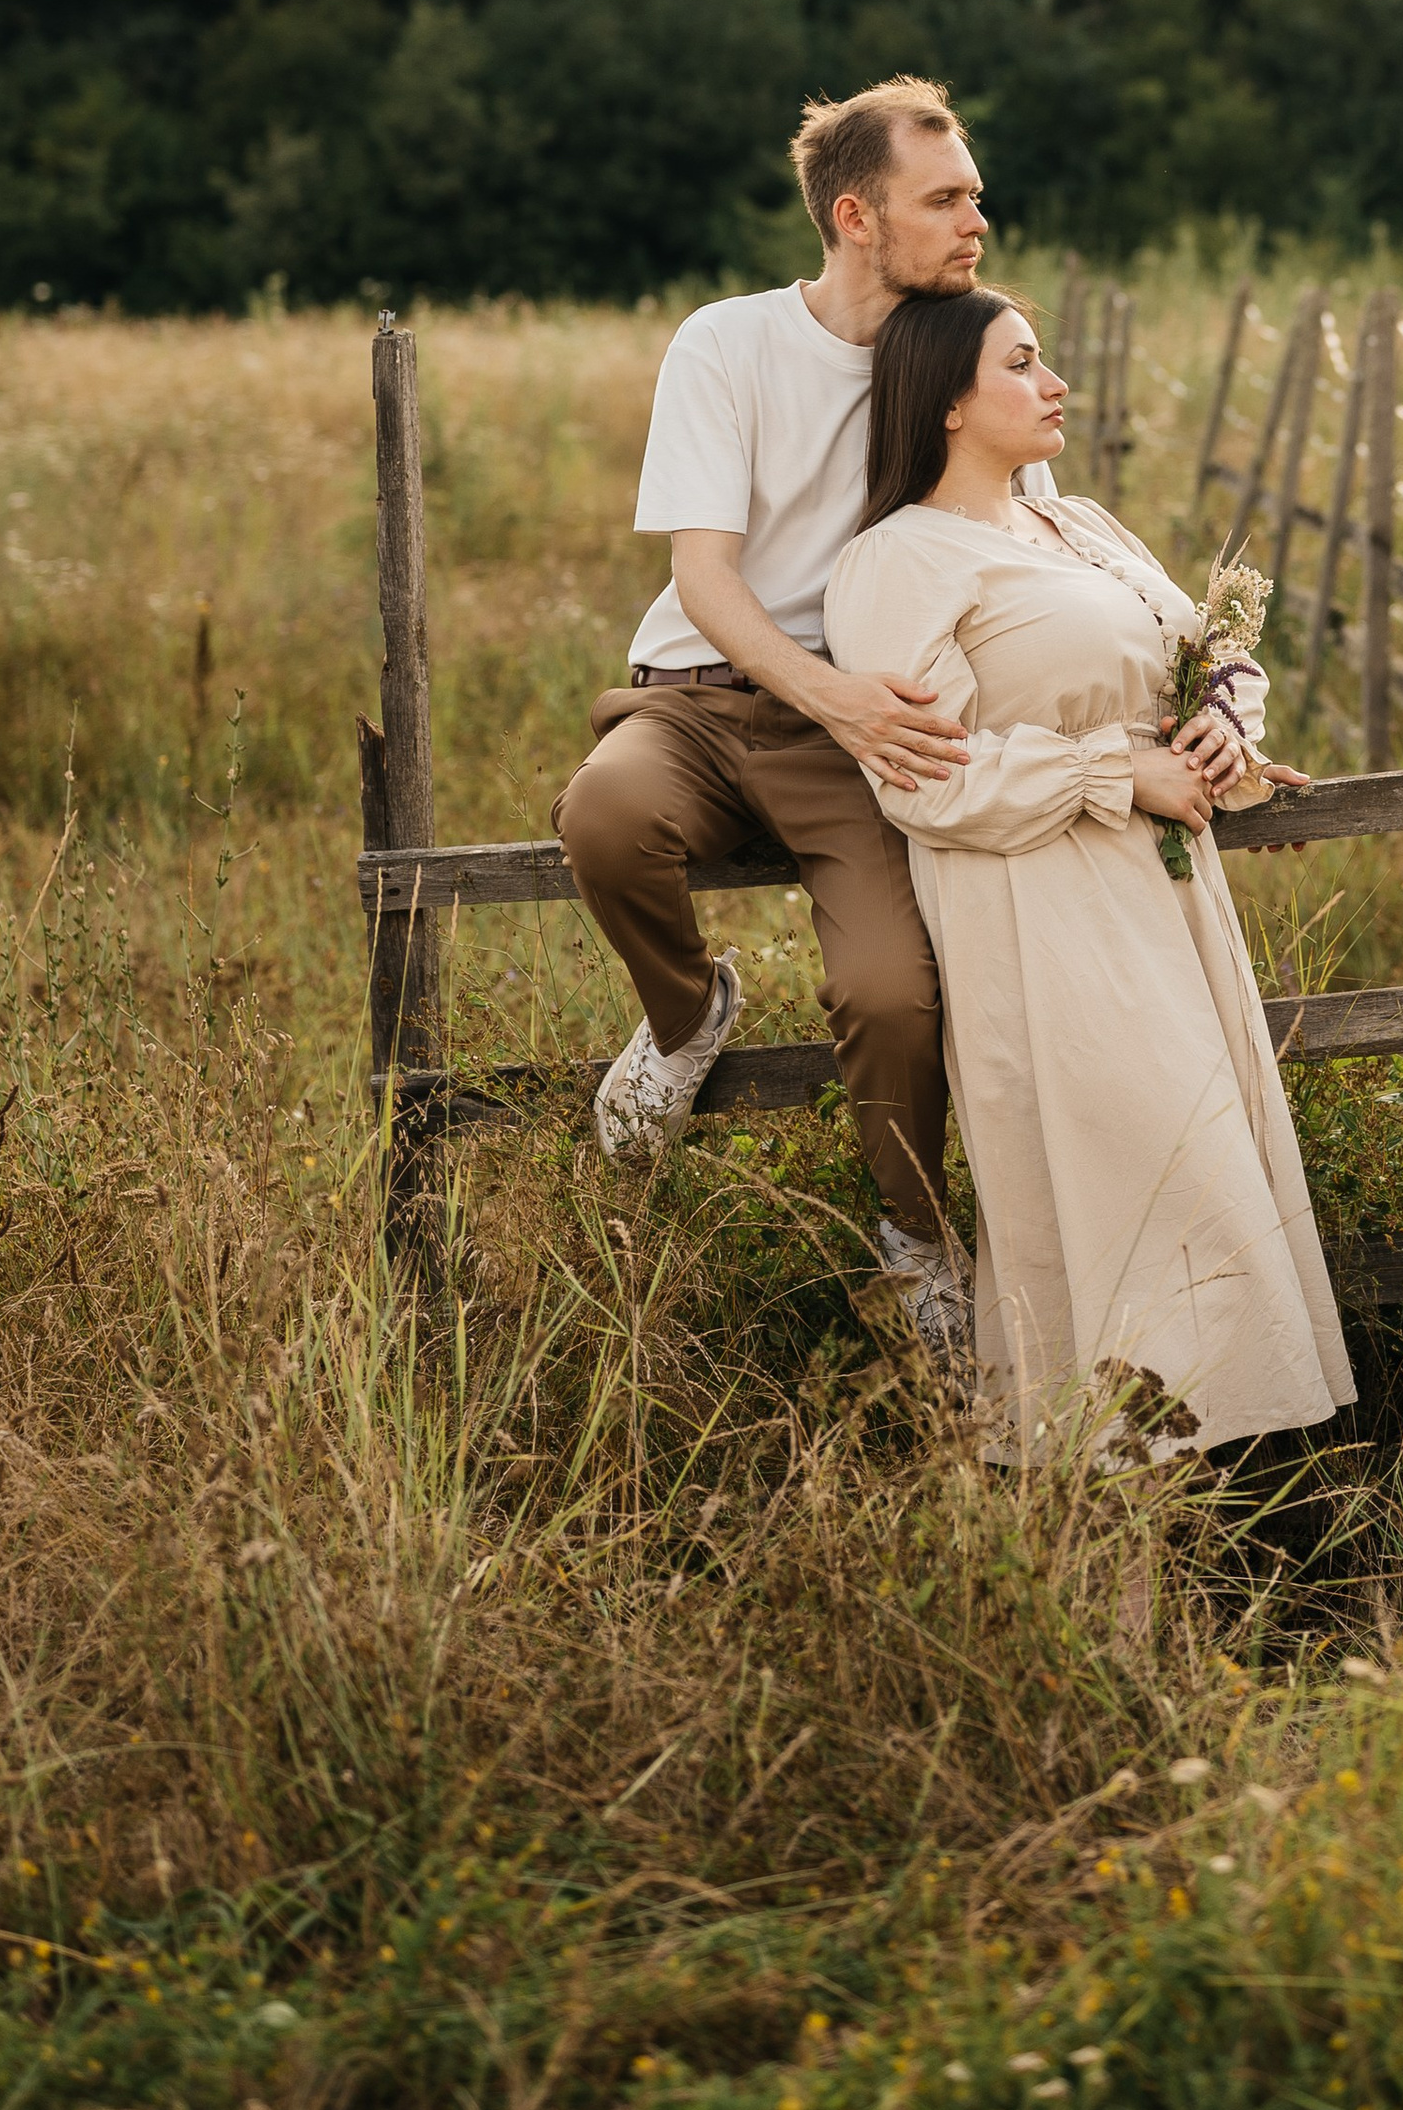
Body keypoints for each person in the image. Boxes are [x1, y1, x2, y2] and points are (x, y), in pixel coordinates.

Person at [824, 285, 1355, 1464]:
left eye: (1046, 358)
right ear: (948, 404)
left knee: (1213, 1193)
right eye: (1021, 363)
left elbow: (1207, 656)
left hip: (1165, 907)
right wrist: (1116, 772)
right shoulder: (894, 563)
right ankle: (1109, 1521)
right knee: (1145, 1203)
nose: (1053, 381)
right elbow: (924, 780)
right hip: (1046, 915)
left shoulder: (1086, 528)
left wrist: (1219, 723)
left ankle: (1226, 1533)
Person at [553, 75, 1004, 1350]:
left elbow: (1019, 544)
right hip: (700, 695)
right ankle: (687, 1013)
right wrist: (832, 698)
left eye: (975, 191)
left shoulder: (964, 348)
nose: (979, 216)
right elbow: (704, 571)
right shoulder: (727, 341)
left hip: (862, 725)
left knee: (890, 992)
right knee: (603, 813)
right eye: (947, 196)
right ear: (856, 214)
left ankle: (917, 1240)